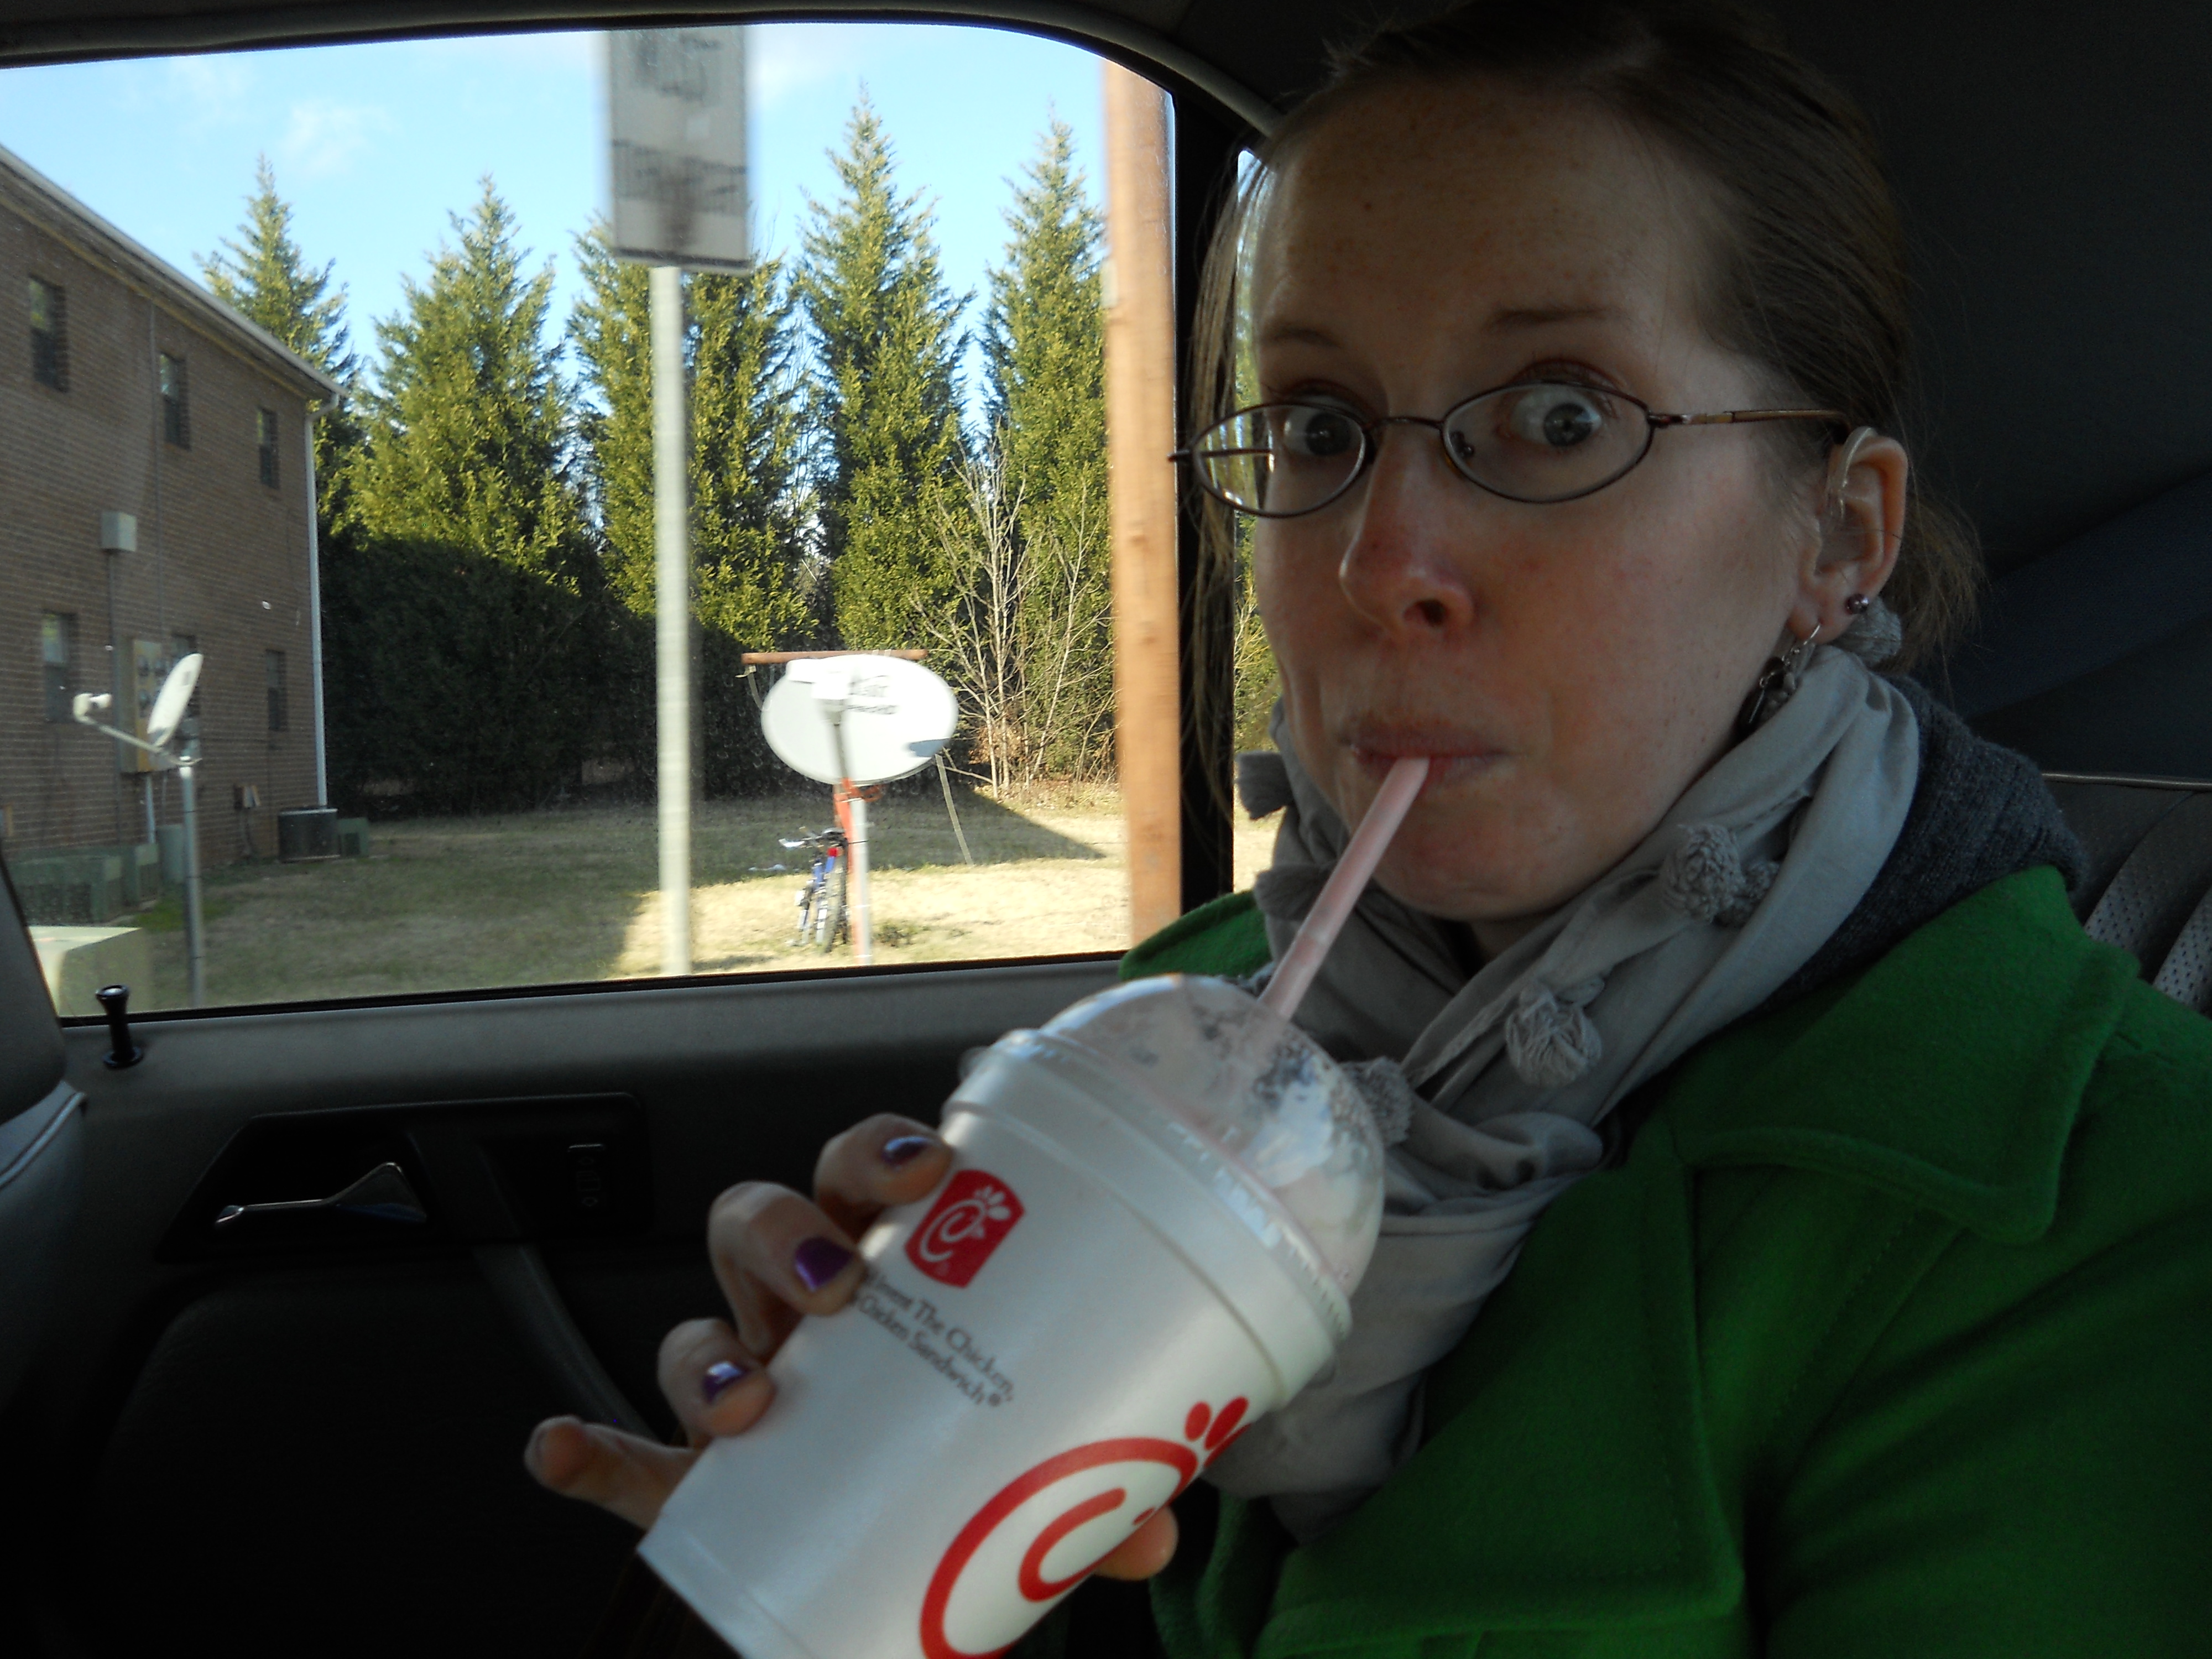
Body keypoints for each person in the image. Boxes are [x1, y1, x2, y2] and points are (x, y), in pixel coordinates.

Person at [527, 2, 2212, 1651]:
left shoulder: (2114, 1201)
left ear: (1836, 537)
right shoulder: (1188, 1024)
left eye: (1561, 418)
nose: (1379, 561)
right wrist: (849, 1545)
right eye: (1320, 428)